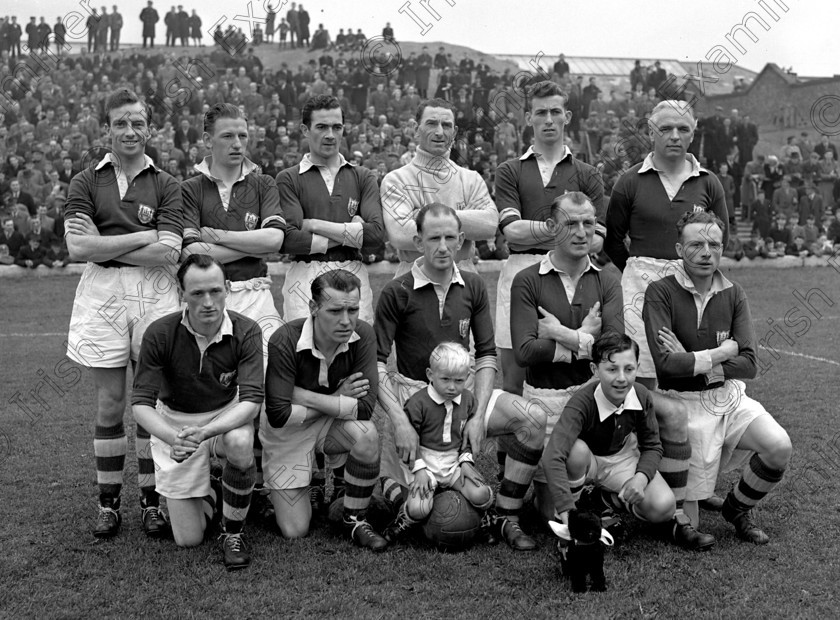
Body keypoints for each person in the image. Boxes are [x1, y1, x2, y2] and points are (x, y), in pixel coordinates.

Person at [375, 203, 547, 551]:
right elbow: (376, 364)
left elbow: (486, 355)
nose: (442, 246)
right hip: (417, 401)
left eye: (449, 237)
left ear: (461, 240)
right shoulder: (398, 290)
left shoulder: (472, 284)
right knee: (427, 515)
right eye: (433, 237)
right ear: (416, 241)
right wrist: (401, 422)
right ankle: (392, 484)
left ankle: (506, 515)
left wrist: (479, 413)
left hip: (464, 394)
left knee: (533, 418)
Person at [604, 99, 729, 550]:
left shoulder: (708, 182)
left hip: (689, 283)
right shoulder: (629, 181)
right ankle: (641, 476)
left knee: (687, 378)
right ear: (651, 132)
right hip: (641, 283)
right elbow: (613, 236)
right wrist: (642, 271)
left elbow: (720, 237)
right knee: (643, 381)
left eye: (682, 128)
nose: (674, 136)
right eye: (665, 128)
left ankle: (692, 483)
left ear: (693, 132)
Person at [64, 88, 184, 539]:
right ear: (107, 129)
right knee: (112, 402)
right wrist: (142, 235)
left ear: (149, 128)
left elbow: (169, 251)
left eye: (137, 122)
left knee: (151, 401)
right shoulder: (85, 181)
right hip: (101, 296)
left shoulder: (167, 183)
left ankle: (152, 502)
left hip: (155, 294)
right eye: (120, 123)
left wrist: (107, 243)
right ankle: (108, 504)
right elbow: (78, 247)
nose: (130, 131)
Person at [643, 210, 792, 545]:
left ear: (722, 249)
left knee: (778, 446)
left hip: (729, 396)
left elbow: (750, 363)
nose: (706, 251)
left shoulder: (734, 292)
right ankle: (678, 502)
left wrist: (693, 359)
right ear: (679, 249)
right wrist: (722, 353)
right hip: (682, 404)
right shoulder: (659, 292)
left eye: (714, 244)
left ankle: (736, 508)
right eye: (696, 244)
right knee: (685, 523)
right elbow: (666, 365)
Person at [132, 254, 262, 569]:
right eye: (197, 293)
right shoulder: (160, 333)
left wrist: (205, 433)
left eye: (215, 291)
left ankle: (233, 532)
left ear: (228, 288)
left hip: (224, 417)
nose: (208, 302)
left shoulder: (247, 330)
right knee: (188, 539)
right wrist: (173, 437)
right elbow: (140, 404)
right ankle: (216, 491)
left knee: (241, 443)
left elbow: (252, 401)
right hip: (175, 422)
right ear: (181, 295)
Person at [508, 192, 623, 522]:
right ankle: (566, 495)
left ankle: (595, 490)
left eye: (589, 223)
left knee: (593, 467)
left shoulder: (607, 280)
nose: (581, 232)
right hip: (547, 403)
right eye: (570, 223)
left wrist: (562, 334)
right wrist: (589, 339)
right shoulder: (527, 279)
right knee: (550, 515)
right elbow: (525, 351)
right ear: (551, 227)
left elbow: (614, 348)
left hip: (592, 399)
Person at [261, 269, 389, 551]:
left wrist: (301, 394)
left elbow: (365, 408)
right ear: (313, 308)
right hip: (289, 432)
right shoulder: (285, 339)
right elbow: (278, 414)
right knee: (295, 530)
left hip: (326, 424)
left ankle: (354, 518)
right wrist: (338, 398)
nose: (346, 320)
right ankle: (260, 487)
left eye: (353, 309)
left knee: (366, 435)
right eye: (335, 311)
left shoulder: (364, 334)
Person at [494, 80, 605, 396]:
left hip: (572, 273)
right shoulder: (509, 170)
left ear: (567, 116)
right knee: (515, 377)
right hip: (520, 270)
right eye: (540, 112)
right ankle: (511, 447)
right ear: (528, 118)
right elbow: (512, 231)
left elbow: (596, 240)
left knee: (577, 367)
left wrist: (549, 233)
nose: (548, 119)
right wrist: (568, 230)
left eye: (555, 111)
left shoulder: (587, 173)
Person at [542, 333, 675, 532]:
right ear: (595, 369)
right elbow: (553, 455)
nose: (621, 378)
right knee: (575, 451)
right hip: (586, 463)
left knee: (664, 507)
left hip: (621, 458)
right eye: (612, 369)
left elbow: (652, 446)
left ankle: (603, 500)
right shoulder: (581, 403)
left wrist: (640, 478)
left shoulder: (641, 395)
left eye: (629, 369)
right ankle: (575, 508)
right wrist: (566, 511)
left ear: (637, 367)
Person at [275, 94, 384, 323]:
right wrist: (353, 233)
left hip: (353, 274)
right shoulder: (288, 178)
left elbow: (375, 236)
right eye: (322, 127)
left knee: (354, 352)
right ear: (305, 130)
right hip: (304, 278)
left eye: (337, 127)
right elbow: (290, 240)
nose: (330, 135)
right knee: (305, 352)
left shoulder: (363, 177)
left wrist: (314, 224)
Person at [383, 342, 494, 542]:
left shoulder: (468, 400)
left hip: (453, 462)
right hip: (425, 462)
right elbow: (409, 443)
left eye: (459, 380)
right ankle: (405, 519)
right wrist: (419, 470)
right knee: (418, 509)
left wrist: (466, 461)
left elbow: (465, 436)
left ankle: (484, 518)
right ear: (430, 374)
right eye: (445, 379)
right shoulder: (417, 403)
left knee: (481, 495)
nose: (452, 387)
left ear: (468, 377)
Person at [380, 97, 498, 277]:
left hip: (465, 284)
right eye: (431, 124)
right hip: (412, 284)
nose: (439, 132)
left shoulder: (471, 179)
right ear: (415, 129)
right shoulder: (396, 180)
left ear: (455, 131)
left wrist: (421, 215)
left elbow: (489, 225)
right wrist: (464, 220)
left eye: (446, 125)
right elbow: (401, 235)